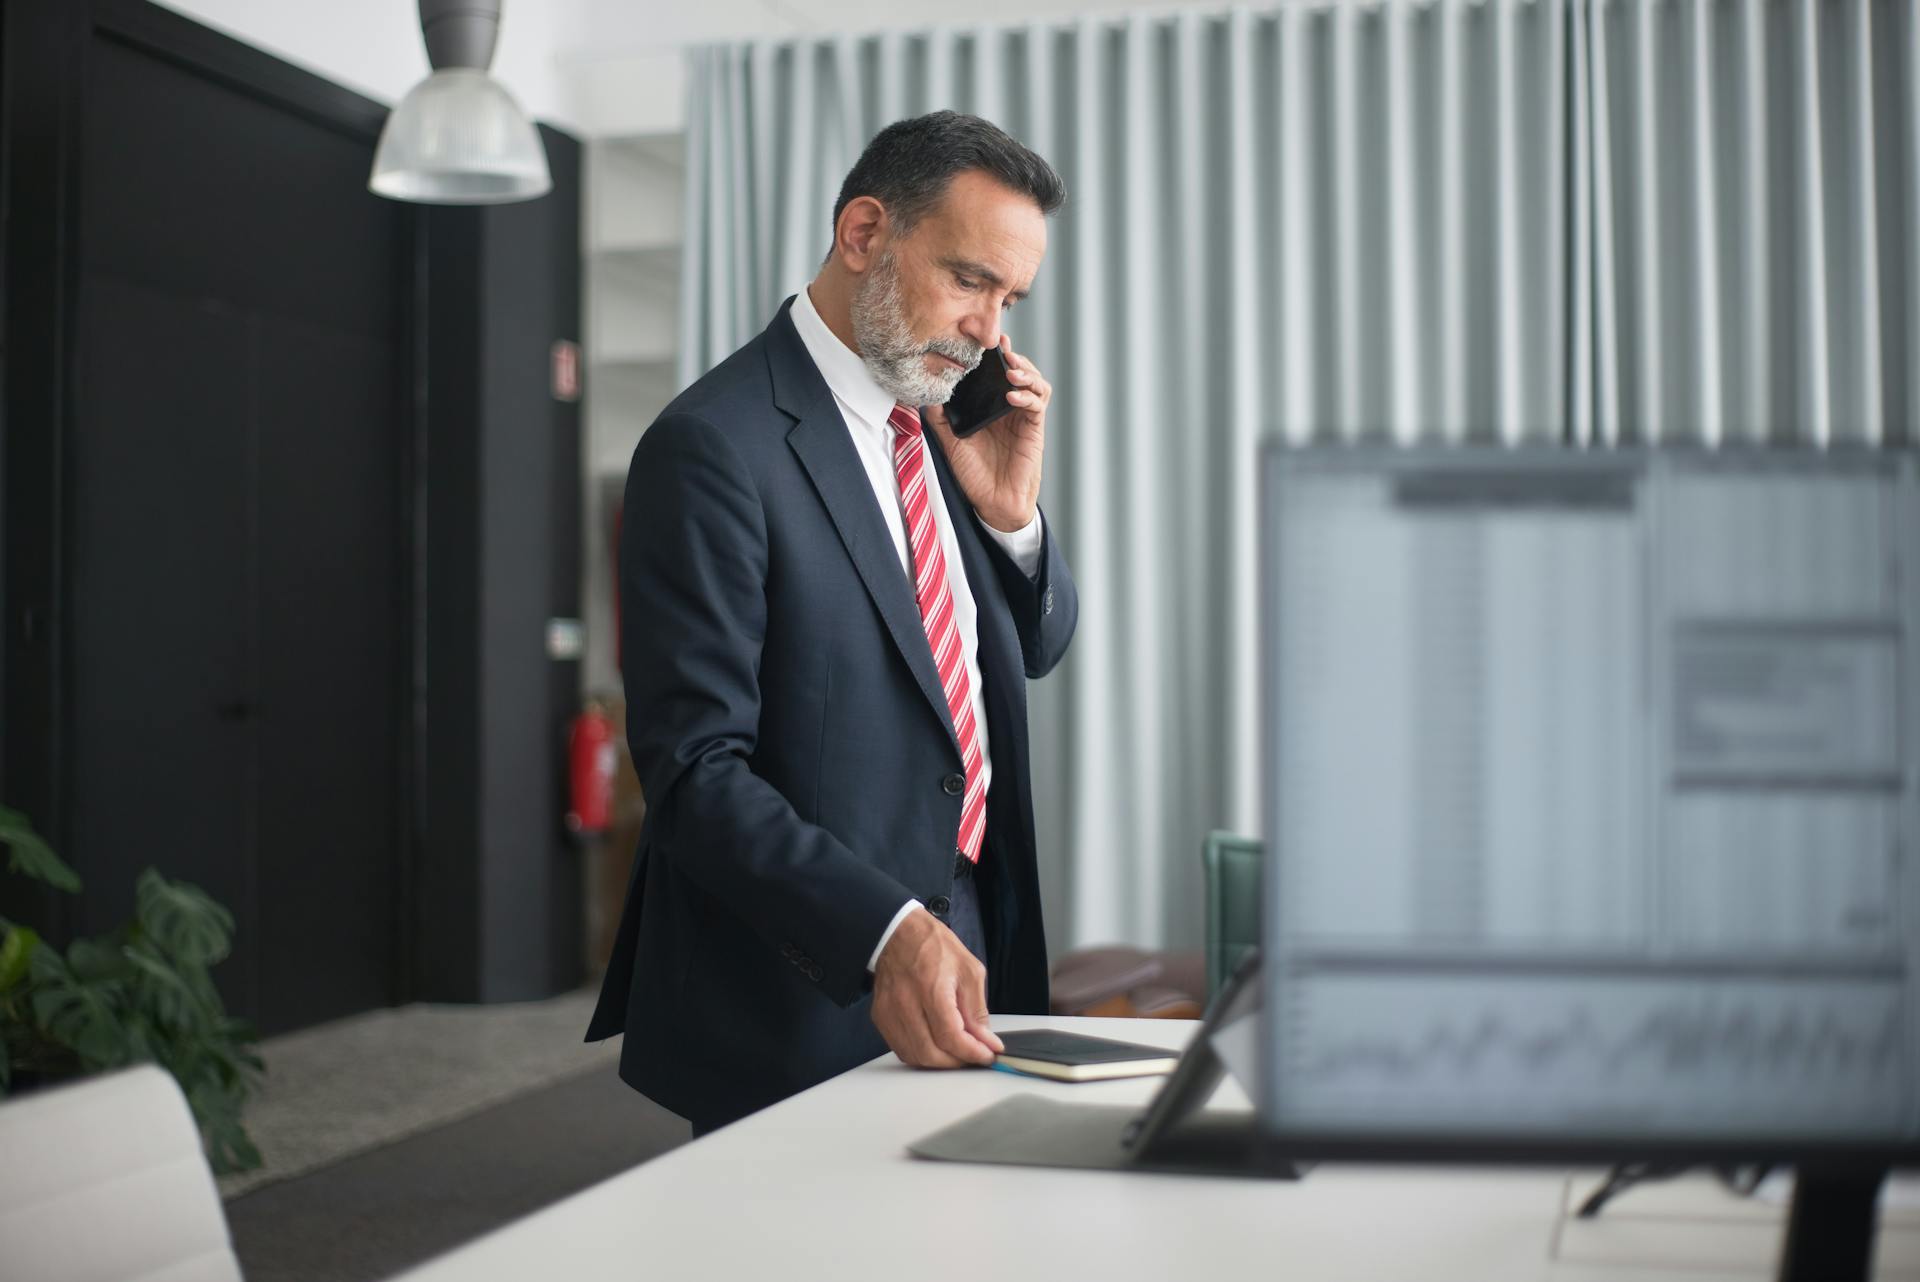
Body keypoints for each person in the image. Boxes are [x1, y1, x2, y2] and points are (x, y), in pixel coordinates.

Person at [584, 111, 1078, 1135]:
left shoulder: (943, 412)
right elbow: (696, 772)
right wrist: (885, 928)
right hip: (807, 983)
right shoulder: (711, 447)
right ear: (864, 235)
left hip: (973, 943)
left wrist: (1012, 517)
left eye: (1011, 297)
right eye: (971, 280)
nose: (991, 329)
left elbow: (1030, 650)